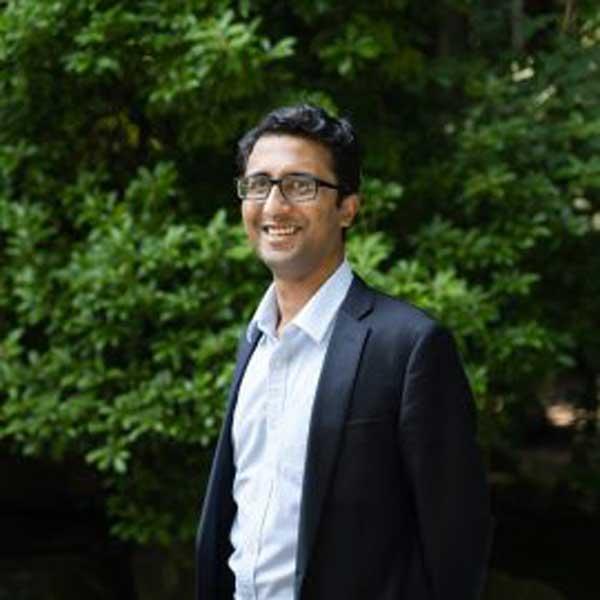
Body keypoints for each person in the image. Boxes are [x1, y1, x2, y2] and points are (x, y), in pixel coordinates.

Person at [196, 104, 493, 600]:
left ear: (348, 206)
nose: (273, 205)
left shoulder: (409, 346)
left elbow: (457, 541)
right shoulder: (254, 341)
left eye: (300, 185)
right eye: (259, 184)